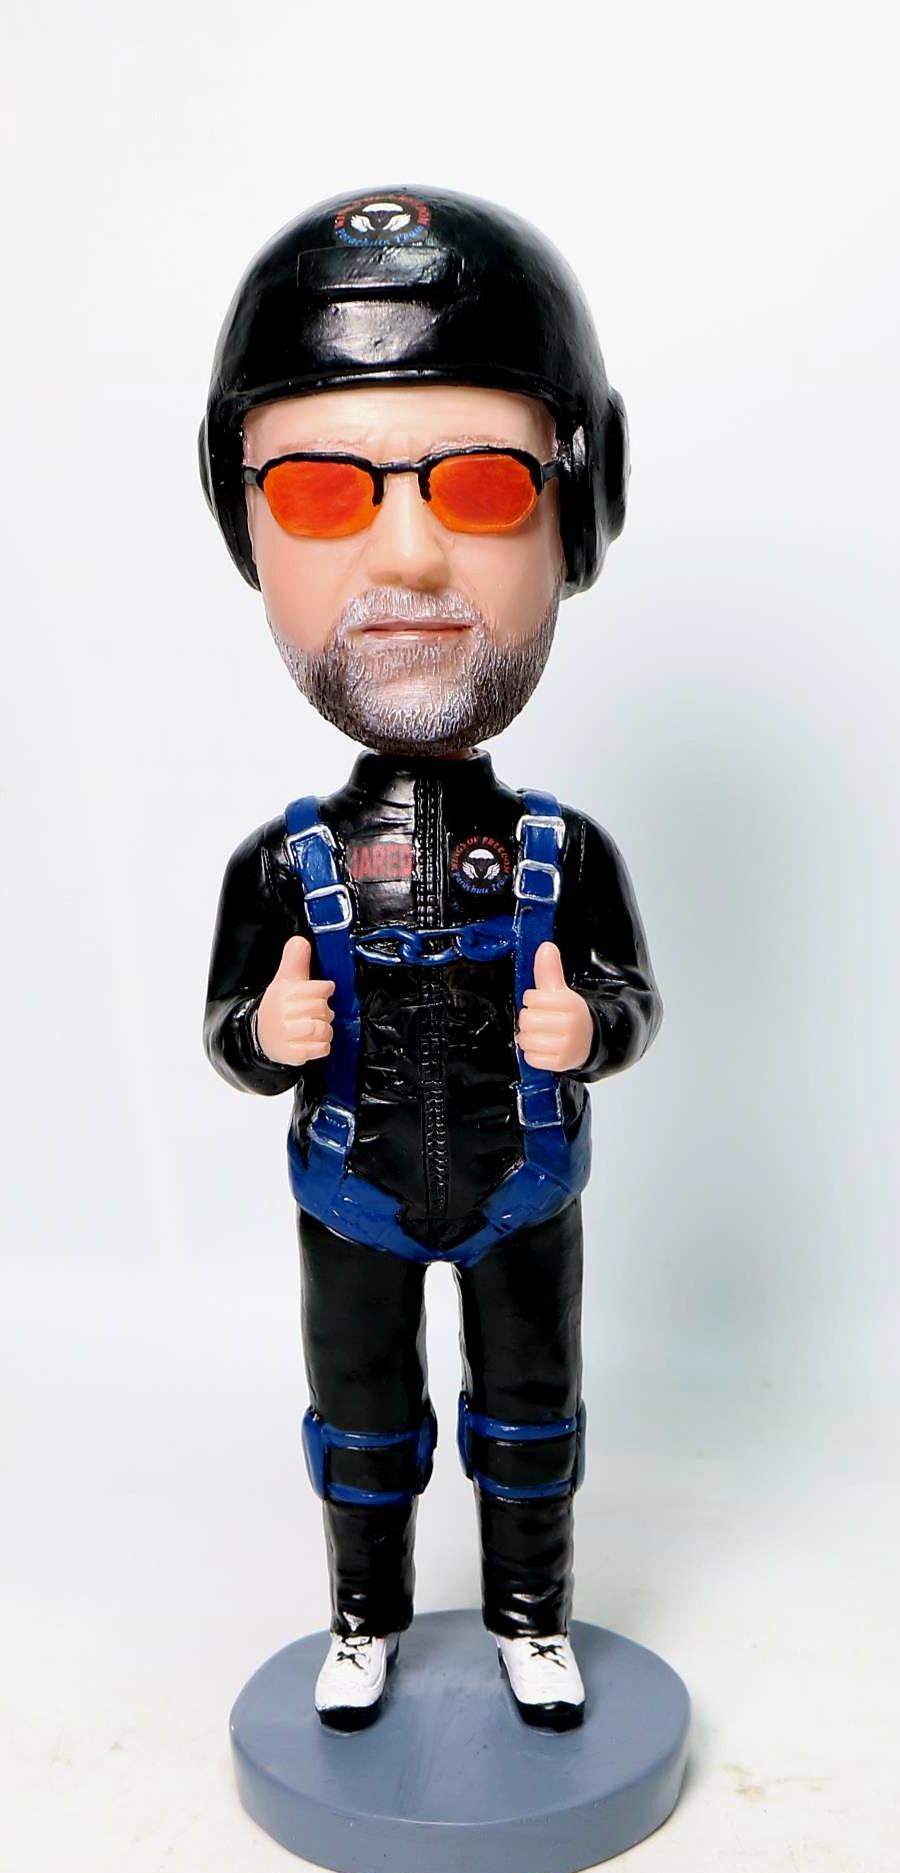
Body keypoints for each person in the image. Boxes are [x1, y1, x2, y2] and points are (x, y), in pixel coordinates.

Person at [201, 186, 662, 1734]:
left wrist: (594, 1027)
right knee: (362, 1418)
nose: (408, 557)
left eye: (478, 484)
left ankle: (534, 1618)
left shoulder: (563, 852)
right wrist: (263, 1032)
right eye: (321, 492)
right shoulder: (285, 862)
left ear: (580, 505)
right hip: (353, 1190)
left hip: (527, 1190)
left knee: (532, 1418)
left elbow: (631, 993)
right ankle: (364, 1617)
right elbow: (227, 1025)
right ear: (245, 521)